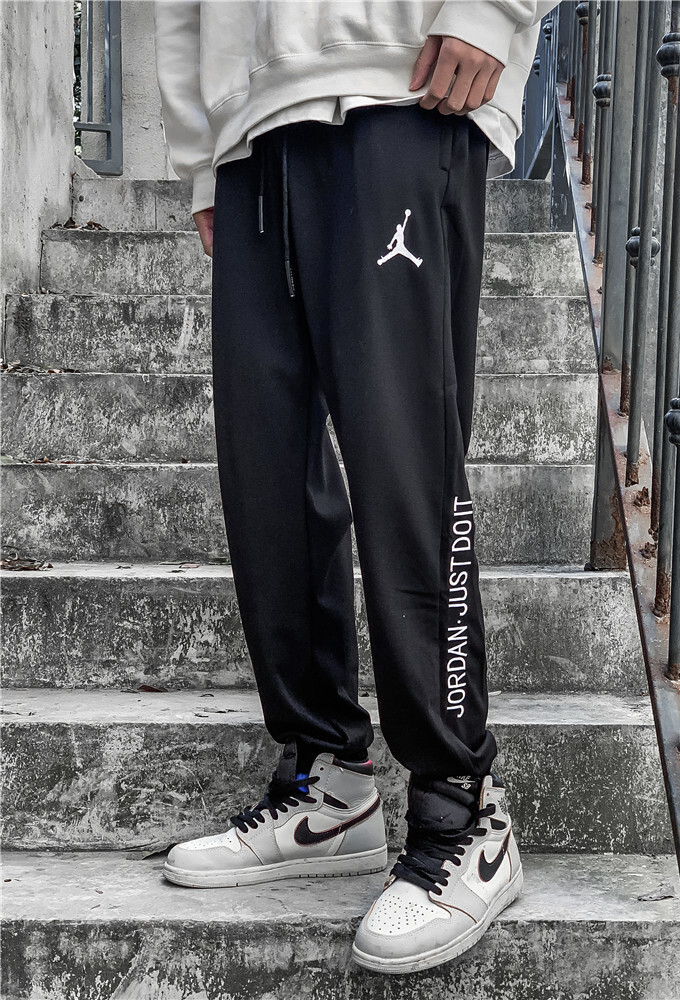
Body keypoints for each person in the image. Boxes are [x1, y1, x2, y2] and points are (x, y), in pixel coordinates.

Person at [154, 0, 558, 974]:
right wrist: (203, 150)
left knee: (403, 464)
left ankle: (462, 806)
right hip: (252, 127)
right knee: (266, 473)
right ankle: (328, 780)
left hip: (405, 84)